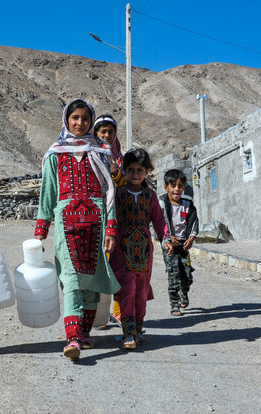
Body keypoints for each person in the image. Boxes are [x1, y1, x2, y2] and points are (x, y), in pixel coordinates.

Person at [35, 99, 120, 361]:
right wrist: (41, 230)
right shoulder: (55, 153)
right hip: (66, 224)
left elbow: (109, 194)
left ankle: (84, 332)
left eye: (85, 118)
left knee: (93, 282)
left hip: (96, 222)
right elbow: (48, 193)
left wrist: (111, 229)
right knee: (70, 280)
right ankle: (72, 338)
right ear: (66, 120)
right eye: (75, 118)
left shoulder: (102, 151)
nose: (80, 123)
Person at [110, 148, 172, 349]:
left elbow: (159, 220)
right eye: (131, 170)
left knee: (141, 290)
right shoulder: (118, 194)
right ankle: (128, 332)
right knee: (126, 288)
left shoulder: (150, 196)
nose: (135, 174)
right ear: (124, 170)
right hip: (121, 249)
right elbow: (111, 219)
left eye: (139, 170)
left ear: (146, 172)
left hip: (144, 250)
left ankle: (137, 329)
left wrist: (165, 238)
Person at [92, 114, 124, 326]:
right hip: (95, 218)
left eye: (110, 132)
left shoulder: (119, 159)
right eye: (102, 132)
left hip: (117, 218)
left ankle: (117, 312)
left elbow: (124, 184)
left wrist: (115, 170)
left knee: (118, 266)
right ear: (95, 134)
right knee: (98, 266)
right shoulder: (90, 155)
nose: (106, 135)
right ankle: (98, 315)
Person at [159, 169, 199, 316]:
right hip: (168, 244)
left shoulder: (188, 204)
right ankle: (174, 303)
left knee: (187, 274)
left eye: (180, 186)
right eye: (173, 185)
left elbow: (194, 222)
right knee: (173, 272)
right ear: (166, 187)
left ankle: (184, 291)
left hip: (184, 244)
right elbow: (156, 222)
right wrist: (167, 237)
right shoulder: (162, 204)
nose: (177, 189)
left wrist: (192, 238)